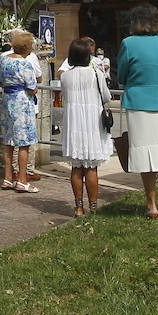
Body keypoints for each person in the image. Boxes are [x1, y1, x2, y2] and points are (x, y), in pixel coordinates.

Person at [116, 4, 158, 219]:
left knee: (146, 154)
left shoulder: (129, 43)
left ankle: (151, 204)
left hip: (139, 101)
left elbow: (122, 75)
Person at [59, 38, 111, 215]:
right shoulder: (96, 74)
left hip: (74, 122)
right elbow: (106, 96)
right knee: (91, 167)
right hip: (91, 122)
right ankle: (94, 207)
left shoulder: (65, 76)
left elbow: (66, 95)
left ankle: (78, 206)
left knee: (76, 167)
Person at [0, 30, 40, 193]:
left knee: (8, 141)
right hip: (21, 102)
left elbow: (0, 81)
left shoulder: (4, 60)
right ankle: (22, 180)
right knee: (24, 143)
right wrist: (33, 90)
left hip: (8, 100)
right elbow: (31, 86)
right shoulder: (25, 63)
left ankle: (8, 177)